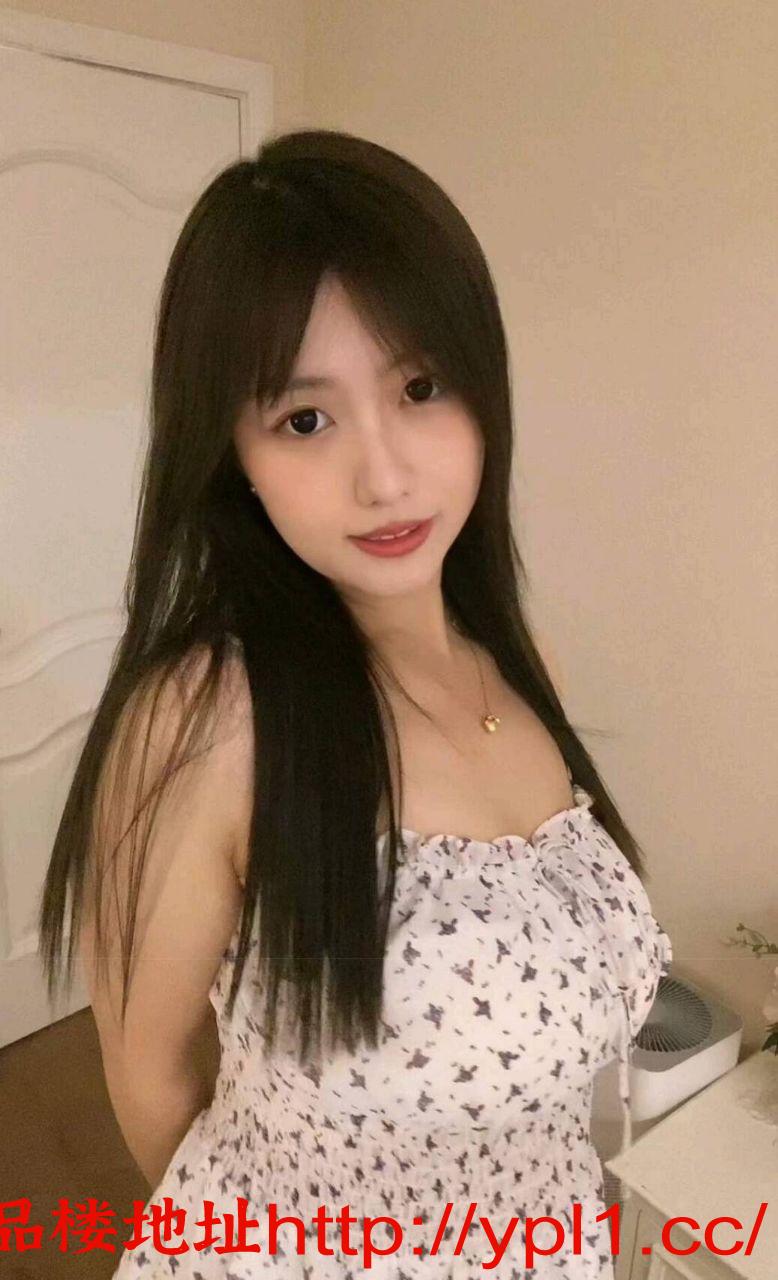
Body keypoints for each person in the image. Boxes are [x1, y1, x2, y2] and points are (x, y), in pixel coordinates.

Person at [38, 128, 672, 1279]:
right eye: (305, 419)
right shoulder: (210, 718)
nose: (383, 476)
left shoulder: (521, 661)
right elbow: (150, 1079)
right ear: (231, 450)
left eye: (419, 388)